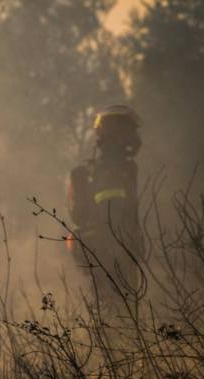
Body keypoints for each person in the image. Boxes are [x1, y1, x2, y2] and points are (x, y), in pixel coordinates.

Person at [67, 104, 144, 298]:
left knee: (109, 314)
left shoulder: (101, 168)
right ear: (118, 134)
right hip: (114, 258)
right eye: (129, 131)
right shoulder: (114, 170)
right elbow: (113, 217)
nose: (134, 137)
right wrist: (125, 248)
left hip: (103, 256)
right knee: (120, 314)